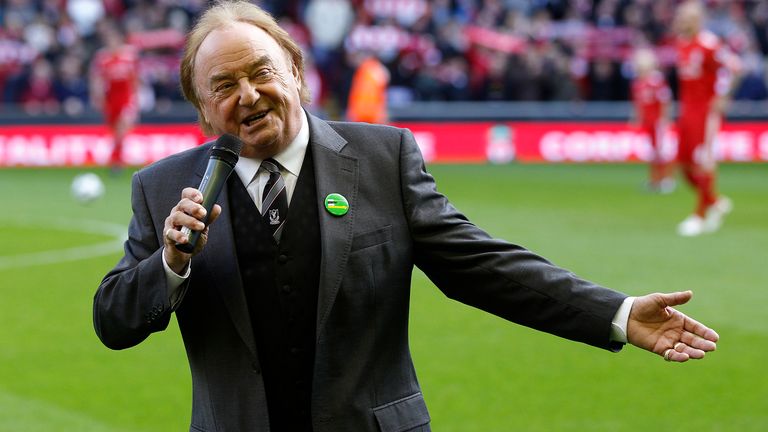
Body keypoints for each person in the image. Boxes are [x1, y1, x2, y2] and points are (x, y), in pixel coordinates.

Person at [93, 2, 720, 431]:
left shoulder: (382, 158)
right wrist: (171, 263)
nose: (249, 94)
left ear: (297, 73)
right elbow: (115, 319)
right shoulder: (164, 188)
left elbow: (483, 266)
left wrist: (613, 313)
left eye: (262, 72)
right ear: (204, 113)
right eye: (224, 86)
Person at [673, 0, 741, 236]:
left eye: (687, 17)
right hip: (686, 110)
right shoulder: (681, 44)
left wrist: (722, 96)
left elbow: (734, 66)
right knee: (682, 163)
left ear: (698, 19)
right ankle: (713, 201)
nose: (682, 21)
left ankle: (700, 215)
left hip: (705, 112)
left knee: (703, 161)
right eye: (681, 17)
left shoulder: (708, 43)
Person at [89, 24, 140, 173]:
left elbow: (135, 78)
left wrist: (135, 98)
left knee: (122, 129)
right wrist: (97, 96)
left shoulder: (129, 56)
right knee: (114, 131)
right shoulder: (102, 58)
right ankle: (116, 159)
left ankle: (117, 161)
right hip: (111, 99)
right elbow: (97, 79)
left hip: (125, 97)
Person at [630, 48, 675, 194]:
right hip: (647, 122)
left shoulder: (657, 81)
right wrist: (637, 118)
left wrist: (665, 119)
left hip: (657, 122)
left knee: (660, 151)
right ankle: (655, 180)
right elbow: (638, 104)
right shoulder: (638, 83)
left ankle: (666, 179)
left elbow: (665, 101)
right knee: (652, 152)